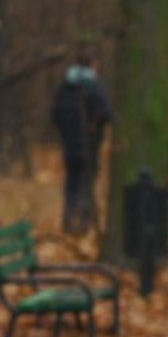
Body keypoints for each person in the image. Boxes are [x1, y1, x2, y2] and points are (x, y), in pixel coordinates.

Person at [51, 47, 112, 235]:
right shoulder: (95, 87)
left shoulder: (64, 87)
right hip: (89, 146)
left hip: (69, 145)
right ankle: (84, 224)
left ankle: (68, 221)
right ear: (92, 64)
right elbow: (105, 114)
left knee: (71, 183)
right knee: (87, 183)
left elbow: (55, 115)